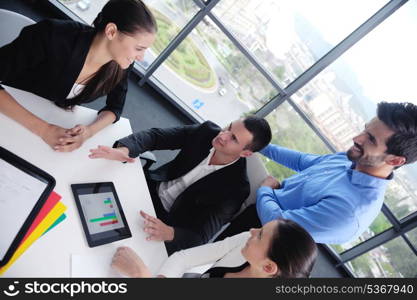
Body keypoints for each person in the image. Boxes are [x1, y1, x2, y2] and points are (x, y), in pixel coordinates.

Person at [216, 102, 417, 245]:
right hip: (258, 209)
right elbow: (302, 161)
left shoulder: (349, 213)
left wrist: (266, 191)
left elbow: (276, 224)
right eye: (364, 130)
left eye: (371, 139)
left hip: (262, 242)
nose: (357, 137)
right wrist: (257, 144)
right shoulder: (350, 160)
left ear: (395, 161)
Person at [89, 116, 272, 254]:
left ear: (246, 153)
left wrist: (170, 233)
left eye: (233, 138)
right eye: (228, 128)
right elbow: (155, 137)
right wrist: (123, 150)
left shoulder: (236, 189)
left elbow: (201, 236)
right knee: (91, 200)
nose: (222, 135)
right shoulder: (206, 132)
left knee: (107, 248)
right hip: (149, 189)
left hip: (165, 221)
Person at [0, 0, 156, 152]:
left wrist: (89, 132)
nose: (141, 57)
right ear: (111, 32)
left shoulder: (121, 62)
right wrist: (45, 129)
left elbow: (115, 107)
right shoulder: (53, 35)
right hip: (10, 110)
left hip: (44, 119)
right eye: (139, 48)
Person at [110, 219, 317, 278]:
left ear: (269, 267)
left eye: (260, 235)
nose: (252, 230)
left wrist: (141, 276)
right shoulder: (246, 241)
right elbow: (183, 258)